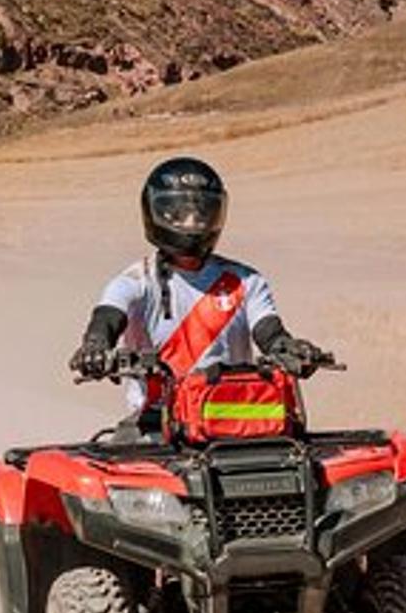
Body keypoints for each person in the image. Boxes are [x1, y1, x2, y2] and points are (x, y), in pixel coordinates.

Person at [69, 158, 328, 426]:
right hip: (157, 423)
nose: (193, 223)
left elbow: (270, 332)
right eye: (180, 215)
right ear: (157, 213)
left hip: (233, 416)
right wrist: (95, 347)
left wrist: (290, 350)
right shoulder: (135, 281)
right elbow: (108, 318)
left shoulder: (246, 280)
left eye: (201, 213)